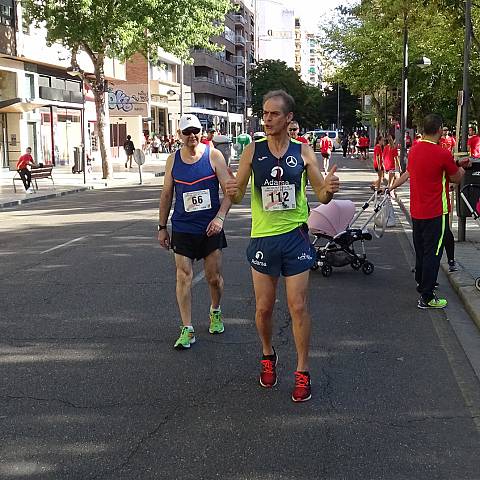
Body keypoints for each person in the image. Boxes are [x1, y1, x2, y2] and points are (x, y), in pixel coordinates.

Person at [225, 90, 340, 403]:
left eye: (274, 114)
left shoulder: (303, 152)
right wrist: (232, 189)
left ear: (289, 118)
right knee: (263, 308)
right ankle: (267, 353)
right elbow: (236, 197)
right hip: (264, 238)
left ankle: (303, 371)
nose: (268, 119)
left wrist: (328, 189)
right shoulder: (252, 151)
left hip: (295, 237)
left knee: (298, 306)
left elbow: (321, 195)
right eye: (265, 113)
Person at [158, 114, 232, 349]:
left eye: (195, 131)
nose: (192, 136)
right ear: (179, 135)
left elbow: (230, 190)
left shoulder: (213, 156)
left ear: (202, 132)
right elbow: (167, 195)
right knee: (183, 275)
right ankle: (187, 328)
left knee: (213, 278)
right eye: (186, 132)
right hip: (183, 227)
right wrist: (162, 227)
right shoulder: (173, 160)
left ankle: (215, 310)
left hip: (210, 228)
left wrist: (220, 218)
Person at [390, 114, 469, 309]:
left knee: (421, 250)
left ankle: (421, 282)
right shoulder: (442, 153)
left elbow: (431, 171)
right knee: (433, 253)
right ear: (440, 130)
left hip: (417, 211)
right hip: (436, 211)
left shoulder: (414, 150)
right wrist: (462, 168)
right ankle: (427, 297)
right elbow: (456, 178)